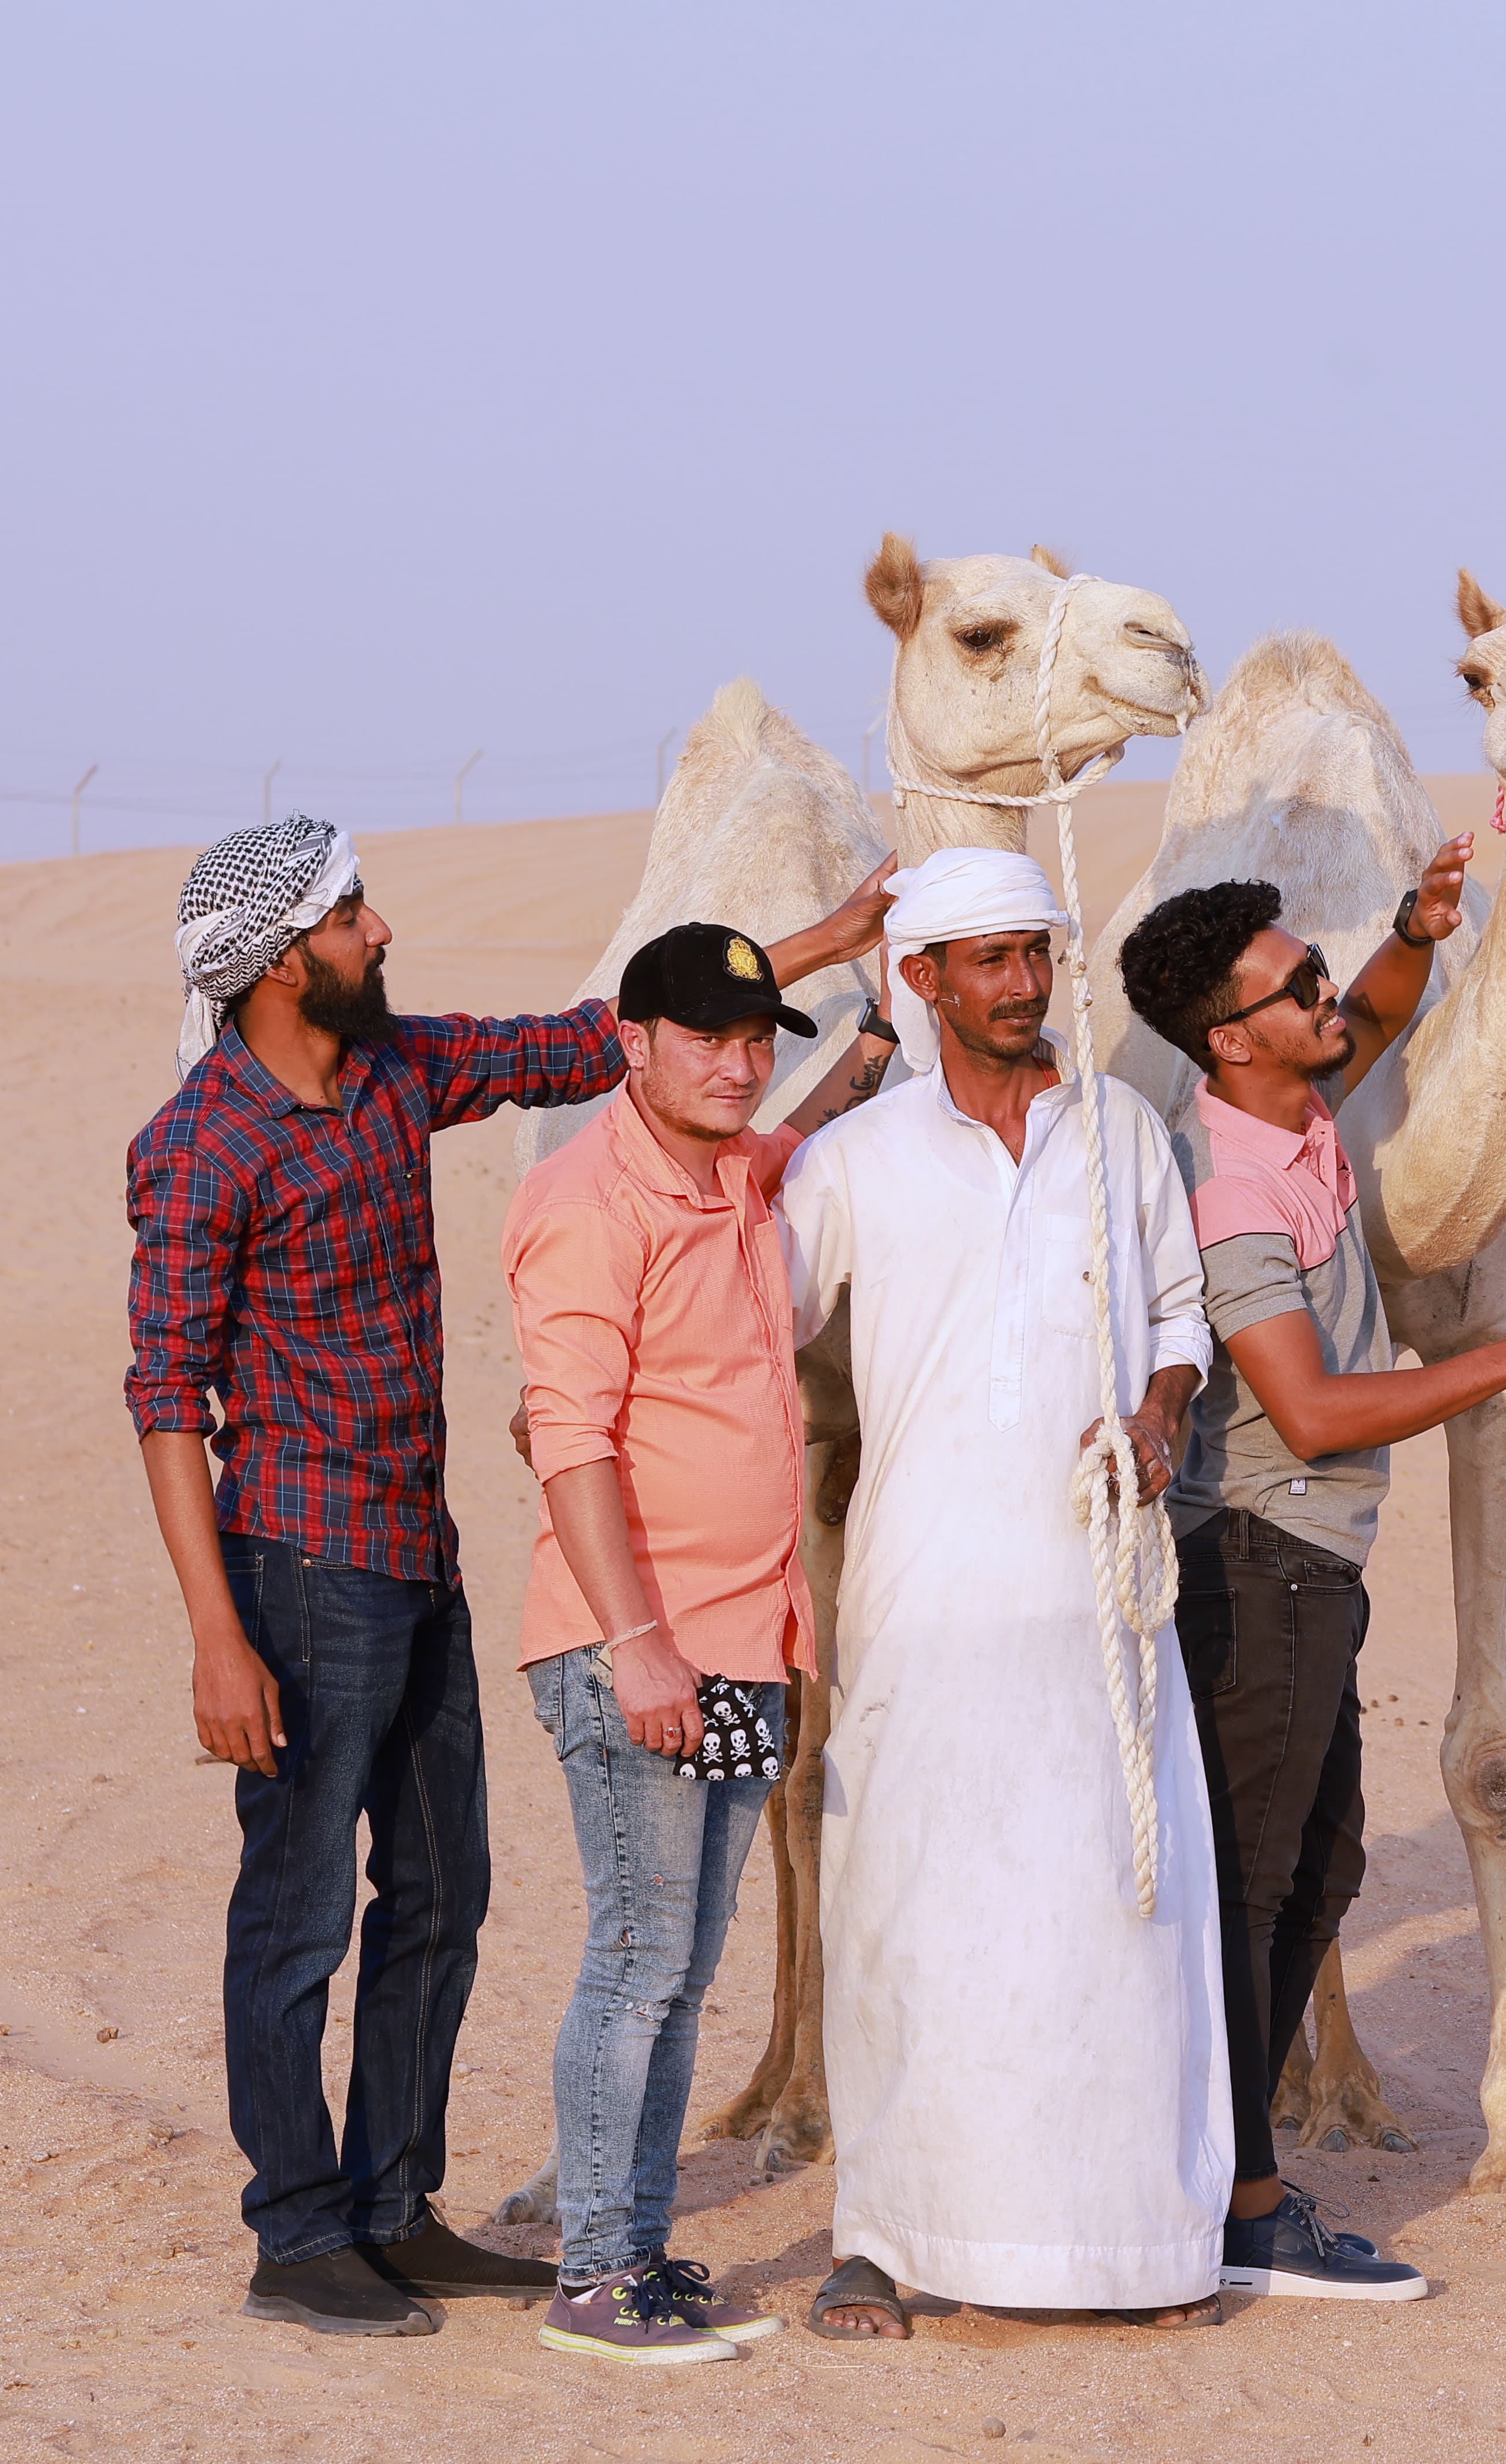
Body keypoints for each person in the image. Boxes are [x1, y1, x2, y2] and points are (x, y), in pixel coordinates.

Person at [127, 816, 893, 2339]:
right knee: (296, 1912)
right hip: (291, 1560)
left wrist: (809, 951)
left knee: (442, 1894)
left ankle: (399, 2209)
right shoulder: (197, 1142)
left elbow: (586, 1041)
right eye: (354, 915)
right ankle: (298, 2228)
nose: (382, 929)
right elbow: (166, 1394)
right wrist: (218, 1634)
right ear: (286, 959)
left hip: (420, 1555)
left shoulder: (396, 1070)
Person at [1112, 845, 1506, 2307]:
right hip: (1260, 1559)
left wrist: (1411, 931)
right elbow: (1316, 1407)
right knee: (1261, 1881)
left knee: (1318, 1864)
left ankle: (1221, 2182)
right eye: (1301, 984)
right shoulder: (1229, 1195)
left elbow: (1382, 1015)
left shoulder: (1293, 1106)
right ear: (1230, 1037)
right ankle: (1241, 2207)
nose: (1333, 996)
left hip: (1308, 1567)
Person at [776, 845, 1228, 2340]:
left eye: (1037, 951)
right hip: (921, 1598)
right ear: (923, 978)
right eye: (991, 959)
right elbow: (745, 1313)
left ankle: (1126, 2245)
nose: (1026, 982)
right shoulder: (854, 1160)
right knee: (913, 1910)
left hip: (1095, 1603)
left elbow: (1179, 1310)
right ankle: (887, 2235)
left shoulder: (1120, 1133)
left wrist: (1160, 1415)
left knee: (1109, 1918)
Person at [506, 921, 898, 2364]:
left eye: (754, 1039)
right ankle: (597, 2273)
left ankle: (641, 2251)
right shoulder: (582, 1202)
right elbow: (568, 1435)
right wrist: (637, 1640)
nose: (738, 1065)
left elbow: (784, 1149)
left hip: (748, 1638)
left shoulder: (732, 1171)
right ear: (632, 1040)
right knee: (634, 1955)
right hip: (644, 1648)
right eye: (706, 1037)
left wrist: (861, 1054)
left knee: (680, 1964)